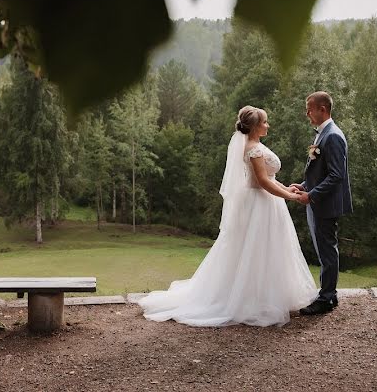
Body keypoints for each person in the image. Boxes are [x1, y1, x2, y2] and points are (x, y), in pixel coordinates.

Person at [139, 106, 316, 327]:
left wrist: (288, 189)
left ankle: (263, 296)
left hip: (267, 203)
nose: (268, 125)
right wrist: (292, 198)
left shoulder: (256, 146)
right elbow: (261, 182)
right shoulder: (253, 149)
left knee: (268, 250)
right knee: (255, 249)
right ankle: (251, 300)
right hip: (260, 205)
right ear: (255, 126)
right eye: (265, 122)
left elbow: (269, 178)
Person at [291, 91, 353, 316]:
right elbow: (321, 171)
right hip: (317, 201)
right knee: (324, 250)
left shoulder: (333, 135)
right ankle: (329, 294)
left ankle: (327, 298)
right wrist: (304, 186)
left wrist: (312, 195)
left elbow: (336, 175)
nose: (307, 113)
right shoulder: (322, 134)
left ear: (322, 109)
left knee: (327, 251)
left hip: (324, 205)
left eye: (309, 108)